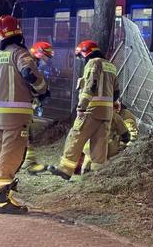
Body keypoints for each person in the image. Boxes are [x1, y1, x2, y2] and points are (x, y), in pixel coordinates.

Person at [0, 15, 48, 214]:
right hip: (17, 114)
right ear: (19, 31)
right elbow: (30, 74)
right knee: (12, 153)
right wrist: (42, 90)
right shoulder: (20, 54)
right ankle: (4, 199)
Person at [48, 40, 120, 180]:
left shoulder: (93, 63)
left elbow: (90, 85)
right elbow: (116, 91)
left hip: (91, 110)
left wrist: (81, 106)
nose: (82, 59)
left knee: (75, 137)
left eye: (81, 56)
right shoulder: (111, 66)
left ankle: (65, 169)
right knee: (100, 143)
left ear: (86, 53)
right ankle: (97, 175)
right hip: (106, 113)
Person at [20, 41, 54, 175]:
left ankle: (28, 161)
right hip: (20, 104)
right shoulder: (29, 62)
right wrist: (42, 91)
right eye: (46, 56)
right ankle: (28, 162)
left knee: (26, 133)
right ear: (39, 53)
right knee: (25, 133)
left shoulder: (29, 61)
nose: (47, 60)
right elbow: (28, 81)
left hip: (23, 104)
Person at [80, 101, 137, 173]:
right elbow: (125, 134)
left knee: (88, 158)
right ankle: (95, 176)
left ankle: (84, 174)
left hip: (87, 145)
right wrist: (127, 144)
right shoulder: (116, 116)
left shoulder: (91, 112)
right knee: (100, 163)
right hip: (104, 147)